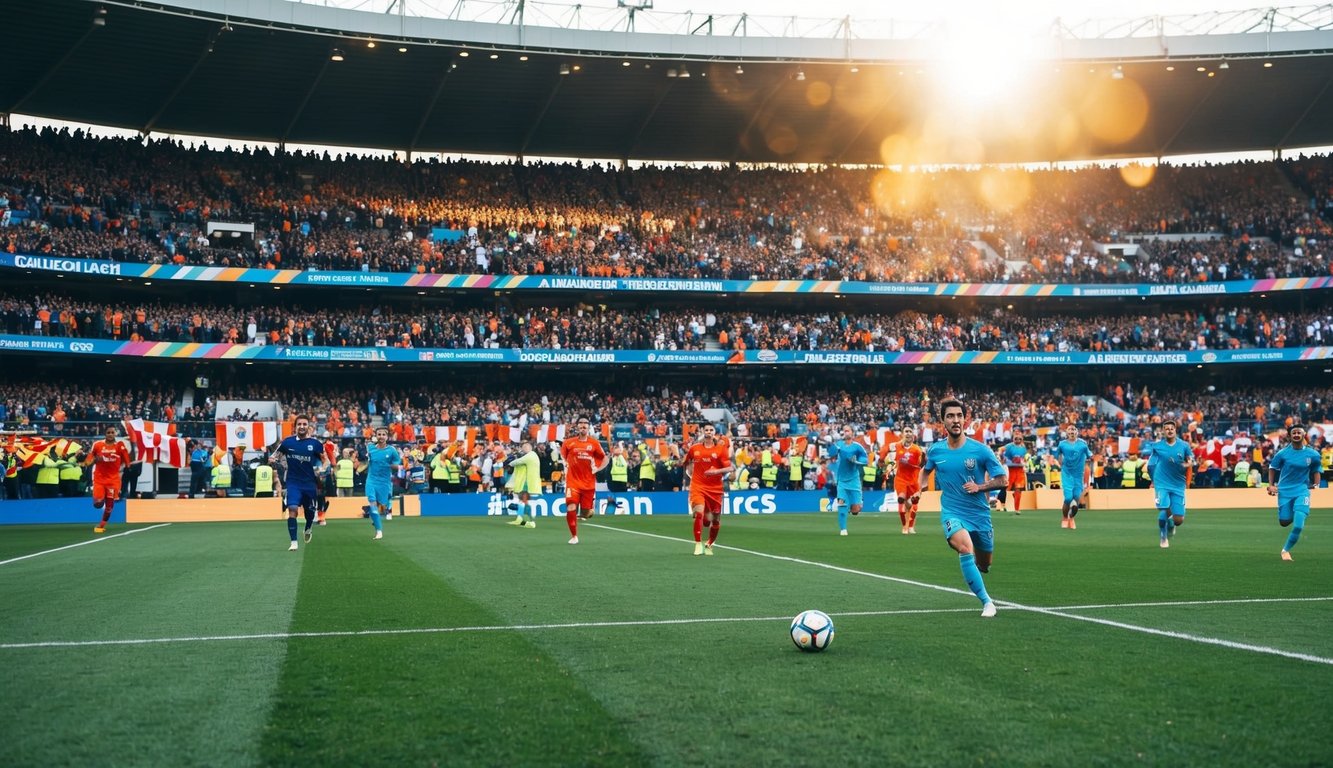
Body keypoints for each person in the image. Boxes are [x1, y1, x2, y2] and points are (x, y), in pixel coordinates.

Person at [922, 398, 1008, 618]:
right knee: (964, 547)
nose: (955, 420)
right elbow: (926, 471)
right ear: (942, 421)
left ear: (965, 419)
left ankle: (978, 570)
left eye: (959, 416)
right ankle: (987, 602)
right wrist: (920, 487)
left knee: (985, 563)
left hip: (979, 515)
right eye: (950, 416)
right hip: (952, 512)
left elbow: (1002, 480)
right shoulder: (935, 451)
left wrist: (980, 486)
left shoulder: (981, 450)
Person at [272, 415, 329, 551]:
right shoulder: (287, 442)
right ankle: (293, 542)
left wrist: (322, 468)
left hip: (309, 484)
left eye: (304, 424)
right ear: (295, 426)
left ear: (308, 426)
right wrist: (272, 459)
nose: (302, 427)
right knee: (292, 509)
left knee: (310, 512)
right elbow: (276, 455)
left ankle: (308, 527)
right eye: (299, 424)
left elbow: (325, 460)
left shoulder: (315, 444)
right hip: (293, 483)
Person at [1267, 425, 1321, 561]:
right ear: (1290, 436)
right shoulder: (1282, 453)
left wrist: (1316, 484)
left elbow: (1316, 469)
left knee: (1298, 525)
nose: (1296, 434)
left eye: (1299, 432)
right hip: (1284, 491)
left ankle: (1285, 551)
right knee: (1284, 521)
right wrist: (1271, 486)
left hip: (1302, 490)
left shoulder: (1313, 454)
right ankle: (1297, 512)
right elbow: (1272, 468)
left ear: (1304, 435)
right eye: (1294, 433)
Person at [683, 423, 733, 555]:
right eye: (706, 430)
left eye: (711, 430)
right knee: (699, 513)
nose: (709, 432)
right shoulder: (695, 448)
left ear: (714, 432)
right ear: (702, 432)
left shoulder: (720, 449)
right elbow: (686, 462)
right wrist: (690, 474)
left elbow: (730, 468)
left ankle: (709, 544)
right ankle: (698, 543)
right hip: (698, 486)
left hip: (715, 488)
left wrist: (716, 471)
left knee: (714, 519)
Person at [560, 417, 608, 544]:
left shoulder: (594, 443)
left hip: (588, 483)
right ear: (577, 427)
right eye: (580, 423)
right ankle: (574, 536)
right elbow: (563, 459)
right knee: (571, 506)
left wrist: (597, 469)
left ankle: (588, 511)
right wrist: (566, 469)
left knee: (586, 513)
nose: (583, 425)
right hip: (573, 482)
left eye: (585, 423)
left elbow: (605, 459)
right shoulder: (568, 443)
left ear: (588, 427)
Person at [1147, 420, 1194, 549]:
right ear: (1163, 431)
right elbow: (1151, 465)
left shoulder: (1184, 446)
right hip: (1162, 483)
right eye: (1166, 428)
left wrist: (1187, 467)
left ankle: (1172, 525)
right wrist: (1153, 480)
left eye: (1171, 428)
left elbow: (1191, 461)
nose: (1169, 430)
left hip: (1178, 484)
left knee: (1178, 520)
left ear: (1175, 430)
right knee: (1164, 509)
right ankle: (1163, 537)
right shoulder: (1157, 447)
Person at [84, 426, 131, 534]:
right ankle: (100, 499)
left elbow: (127, 460)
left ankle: (101, 525)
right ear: (105, 434)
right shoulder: (98, 445)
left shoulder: (120, 446)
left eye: (112, 432)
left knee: (109, 505)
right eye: (108, 432)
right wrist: (93, 460)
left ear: (115, 434)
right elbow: (89, 459)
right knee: (98, 504)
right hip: (99, 478)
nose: (110, 434)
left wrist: (127, 465)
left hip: (113, 480)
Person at [356, 427, 399, 540]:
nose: (381, 436)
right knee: (373, 505)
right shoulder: (370, 448)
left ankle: (376, 519)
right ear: (376, 436)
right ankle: (379, 531)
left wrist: (392, 465)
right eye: (379, 434)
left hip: (384, 482)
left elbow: (396, 465)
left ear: (387, 437)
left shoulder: (392, 450)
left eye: (383, 435)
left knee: (382, 507)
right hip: (371, 481)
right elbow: (363, 459)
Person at [827, 425, 869, 536]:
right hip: (842, 480)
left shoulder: (857, 446)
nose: (846, 432)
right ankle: (843, 530)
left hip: (854, 480)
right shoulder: (839, 444)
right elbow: (831, 453)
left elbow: (865, 459)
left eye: (848, 430)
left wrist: (856, 462)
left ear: (852, 433)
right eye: (844, 430)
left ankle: (856, 504)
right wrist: (832, 444)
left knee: (855, 510)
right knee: (841, 504)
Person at [1054, 426, 1092, 529]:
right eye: (1070, 430)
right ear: (1066, 433)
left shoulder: (1083, 444)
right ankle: (1065, 518)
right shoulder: (1062, 444)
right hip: (1067, 473)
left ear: (1077, 432)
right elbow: (1057, 455)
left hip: (1078, 475)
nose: (1072, 432)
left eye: (1074, 430)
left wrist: (1088, 475)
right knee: (1068, 498)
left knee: (1076, 499)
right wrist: (1060, 462)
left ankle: (1071, 518)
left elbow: (1090, 456)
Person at [504, 440, 541, 529]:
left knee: (527, 502)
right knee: (521, 501)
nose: (523, 449)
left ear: (529, 448)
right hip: (526, 482)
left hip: (529, 482)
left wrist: (510, 462)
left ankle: (531, 522)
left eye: (524, 447)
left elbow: (516, 462)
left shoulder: (531, 455)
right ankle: (520, 519)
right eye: (523, 447)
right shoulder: (529, 456)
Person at [893, 429, 925, 535]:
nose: (908, 433)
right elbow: (890, 456)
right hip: (901, 479)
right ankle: (904, 527)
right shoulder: (897, 446)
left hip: (913, 480)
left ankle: (911, 526)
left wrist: (922, 458)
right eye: (906, 431)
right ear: (903, 434)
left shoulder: (917, 449)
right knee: (901, 501)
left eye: (910, 432)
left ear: (913, 436)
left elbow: (920, 464)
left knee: (912, 505)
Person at [996, 429, 1028, 514]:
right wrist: (1002, 457)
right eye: (1016, 438)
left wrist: (1024, 463)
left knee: (1018, 489)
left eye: (1019, 438)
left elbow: (1025, 459)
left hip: (1020, 470)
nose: (1018, 440)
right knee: (1006, 488)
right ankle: (1000, 504)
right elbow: (1000, 450)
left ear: (1022, 439)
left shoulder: (1024, 448)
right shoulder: (1009, 446)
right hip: (1010, 469)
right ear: (1013, 438)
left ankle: (1017, 509)